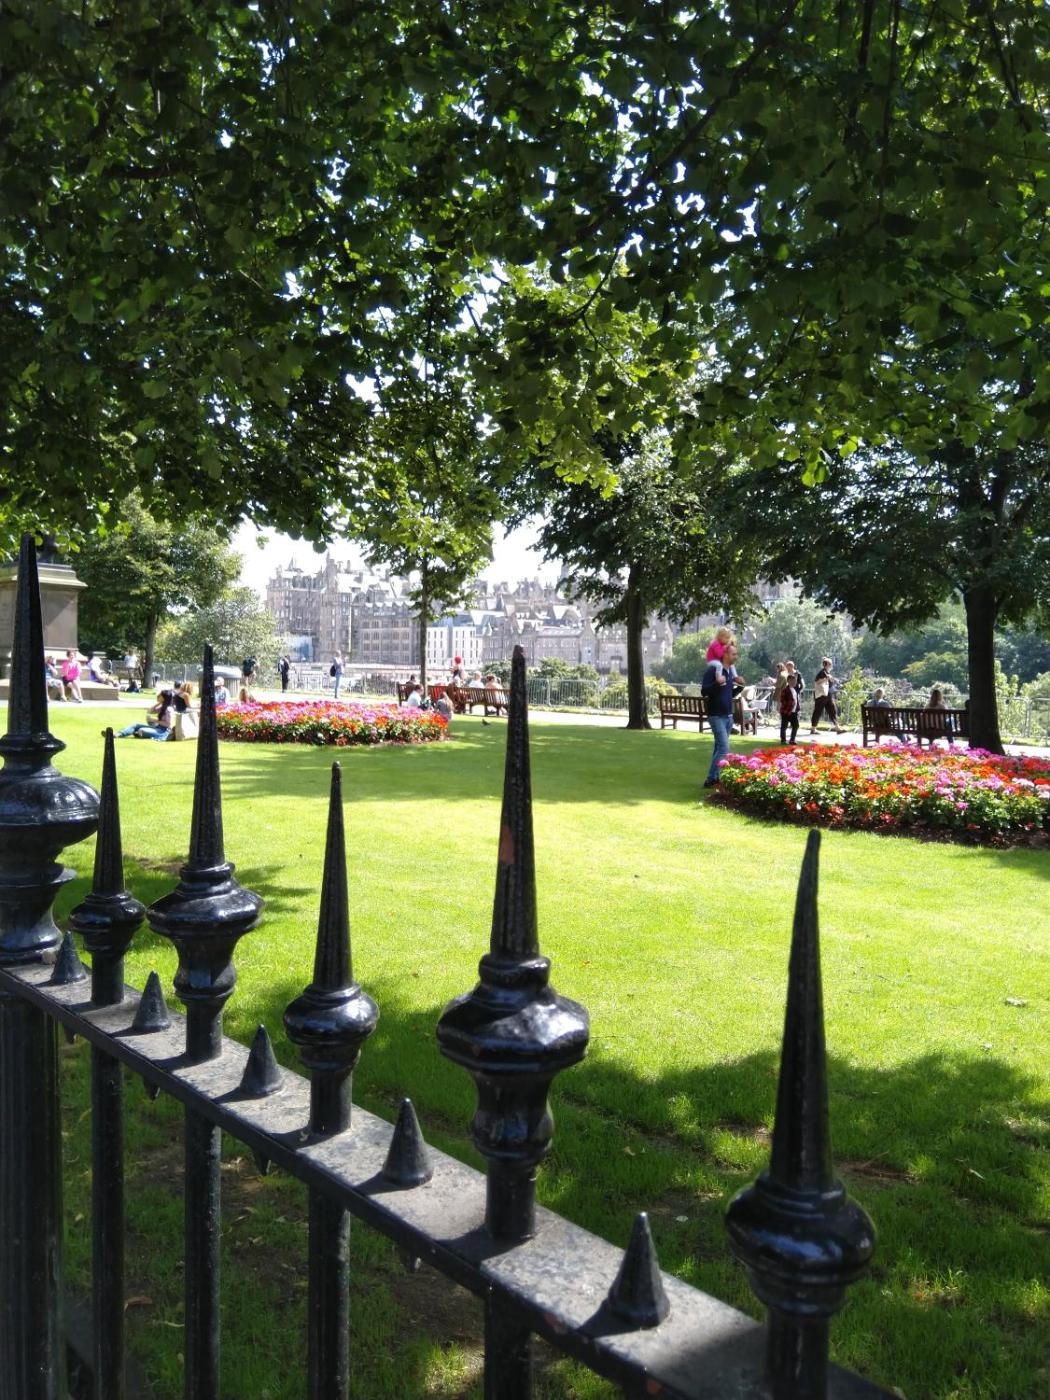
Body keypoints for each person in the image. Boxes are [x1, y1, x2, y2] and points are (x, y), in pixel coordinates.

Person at [701, 640, 740, 788]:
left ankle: (716, 776)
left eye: (736, 654)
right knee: (724, 747)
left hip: (728, 716)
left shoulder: (730, 672)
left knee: (719, 748)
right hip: (716, 715)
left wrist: (740, 686)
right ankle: (711, 778)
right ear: (725, 655)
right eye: (733, 654)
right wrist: (717, 683)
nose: (736, 657)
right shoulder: (713, 671)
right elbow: (704, 691)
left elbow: (728, 694)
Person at [810, 657, 845, 735]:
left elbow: (830, 681)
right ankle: (813, 729)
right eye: (830, 664)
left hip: (827, 694)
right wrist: (826, 678)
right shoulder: (822, 672)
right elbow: (817, 681)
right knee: (818, 711)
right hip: (821, 695)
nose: (831, 665)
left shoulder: (827, 672)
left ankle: (837, 728)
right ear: (826, 665)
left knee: (832, 710)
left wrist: (833, 679)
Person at [778, 670, 801, 745]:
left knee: (796, 725)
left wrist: (796, 707)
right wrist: (789, 704)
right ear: (788, 681)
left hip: (793, 711)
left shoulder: (795, 689)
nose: (794, 683)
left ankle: (792, 740)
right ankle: (783, 740)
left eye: (795, 681)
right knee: (784, 726)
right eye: (793, 681)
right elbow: (782, 700)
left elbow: (796, 699)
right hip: (786, 711)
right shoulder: (785, 690)